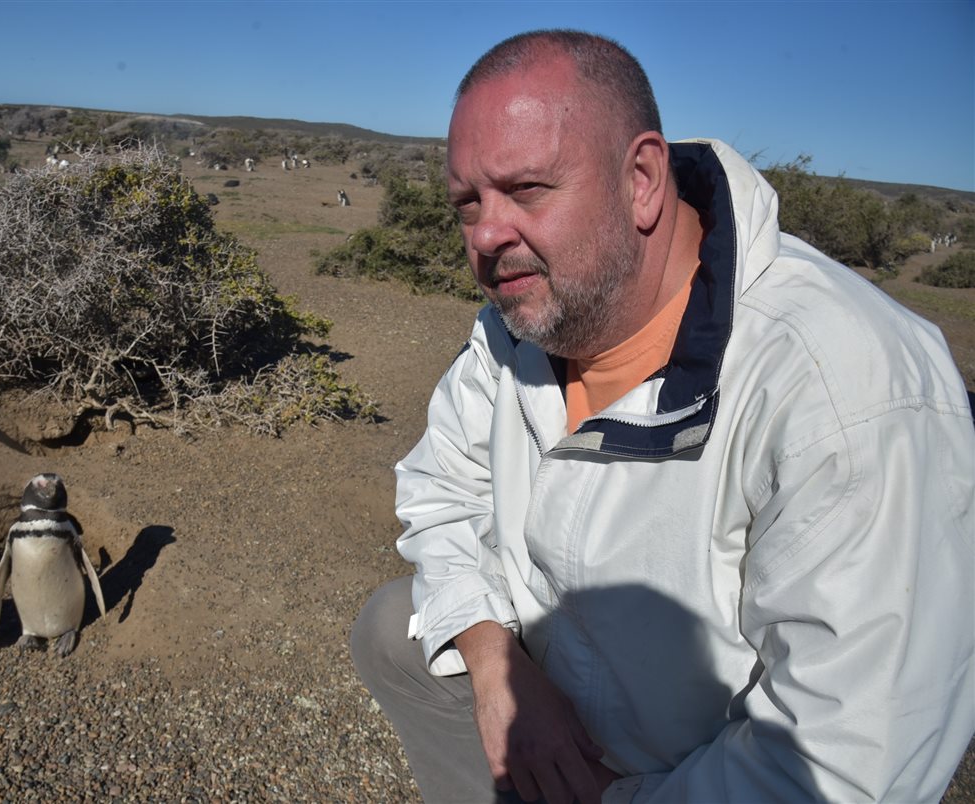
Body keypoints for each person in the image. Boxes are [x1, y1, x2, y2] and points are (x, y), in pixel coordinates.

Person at [350, 29, 975, 804]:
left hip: (700, 773)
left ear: (642, 179)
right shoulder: (520, 327)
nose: (484, 235)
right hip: (568, 714)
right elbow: (441, 491)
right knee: (392, 628)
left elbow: (848, 762)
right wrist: (494, 662)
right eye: (467, 203)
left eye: (529, 190)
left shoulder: (849, 392)